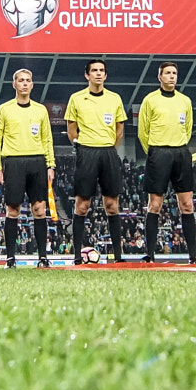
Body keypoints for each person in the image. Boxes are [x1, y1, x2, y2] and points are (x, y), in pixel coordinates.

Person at [0, 68, 55, 267]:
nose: (25, 84)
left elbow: (47, 139)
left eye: (28, 80)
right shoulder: (4, 109)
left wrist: (50, 164)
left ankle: (43, 257)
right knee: (13, 209)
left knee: (39, 210)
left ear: (32, 85)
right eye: (21, 80)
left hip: (37, 161)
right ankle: (10, 258)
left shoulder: (40, 110)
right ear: (14, 84)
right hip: (13, 162)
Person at [65, 59, 128, 263]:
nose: (98, 74)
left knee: (112, 205)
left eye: (102, 70)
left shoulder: (115, 98)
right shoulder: (76, 98)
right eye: (94, 70)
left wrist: (109, 147)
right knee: (82, 205)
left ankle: (118, 257)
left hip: (108, 153)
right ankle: (76, 256)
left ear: (106, 75)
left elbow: (119, 130)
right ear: (87, 75)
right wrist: (82, 147)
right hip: (86, 152)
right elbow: (71, 129)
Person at [138, 61, 196, 263]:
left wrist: (178, 146)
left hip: (181, 153)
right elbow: (142, 132)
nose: (172, 76)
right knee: (154, 205)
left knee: (187, 204)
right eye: (168, 73)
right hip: (158, 152)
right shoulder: (150, 100)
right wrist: (154, 153)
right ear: (160, 76)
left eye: (174, 73)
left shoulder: (185, 101)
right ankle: (150, 255)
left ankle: (193, 256)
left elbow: (188, 129)